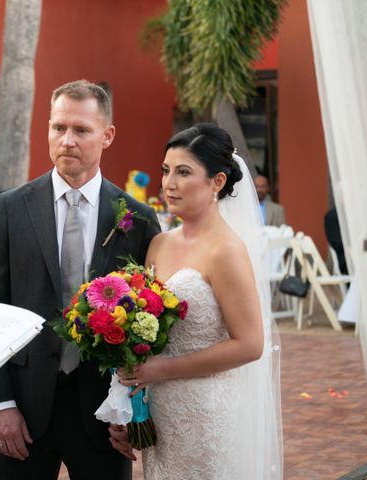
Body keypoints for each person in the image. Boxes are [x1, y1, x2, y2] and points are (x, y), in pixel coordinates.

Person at [0, 80, 161, 479]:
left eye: (81, 130)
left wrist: (133, 410)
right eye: (58, 128)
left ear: (107, 135)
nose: (67, 140)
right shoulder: (9, 208)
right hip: (21, 409)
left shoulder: (138, 219)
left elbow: (153, 326)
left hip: (104, 415)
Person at [112, 123, 282, 479]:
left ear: (217, 182)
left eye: (184, 172)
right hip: (162, 417)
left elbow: (250, 345)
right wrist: (126, 410)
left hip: (208, 415)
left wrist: (161, 371)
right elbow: (142, 337)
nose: (169, 183)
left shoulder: (227, 251)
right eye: (166, 171)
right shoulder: (159, 243)